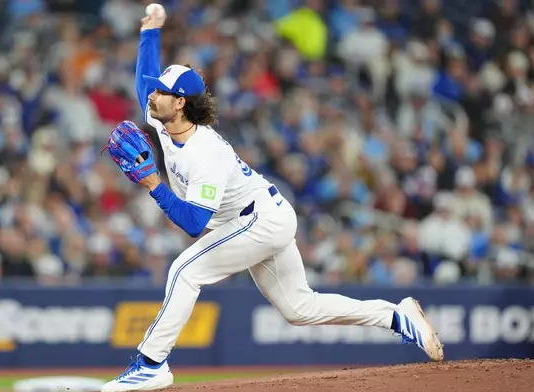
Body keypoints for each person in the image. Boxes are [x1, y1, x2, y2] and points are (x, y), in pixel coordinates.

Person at [100, 8, 444, 392]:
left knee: (185, 271)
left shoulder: (205, 152)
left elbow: (194, 224)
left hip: (258, 220)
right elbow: (142, 82)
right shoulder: (165, 119)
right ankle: (396, 317)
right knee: (300, 309)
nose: (152, 95)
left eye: (162, 92)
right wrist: (150, 32)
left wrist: (152, 183)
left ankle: (151, 363)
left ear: (180, 103)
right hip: (261, 217)